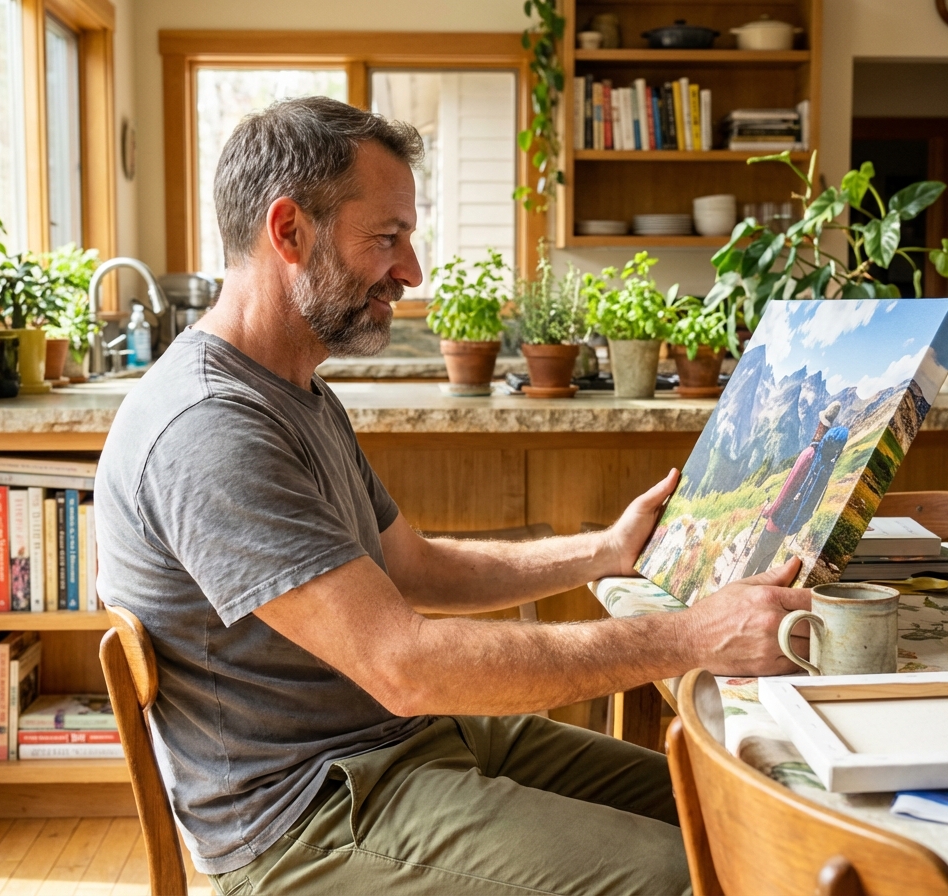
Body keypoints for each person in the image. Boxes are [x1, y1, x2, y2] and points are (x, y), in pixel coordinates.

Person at [96, 97, 812, 896]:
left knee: (737, 812)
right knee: (685, 875)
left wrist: (605, 551)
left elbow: (414, 567)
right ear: (289, 231)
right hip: (309, 819)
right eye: (388, 237)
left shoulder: (295, 390)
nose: (412, 271)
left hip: (402, 743)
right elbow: (403, 664)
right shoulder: (210, 428)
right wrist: (692, 637)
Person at [742, 401, 850, 578]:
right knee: (766, 560)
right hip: (792, 522)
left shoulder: (809, 455)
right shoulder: (826, 464)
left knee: (756, 557)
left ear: (820, 427)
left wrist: (770, 510)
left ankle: (741, 586)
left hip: (779, 517)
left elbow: (788, 488)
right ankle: (756, 585)